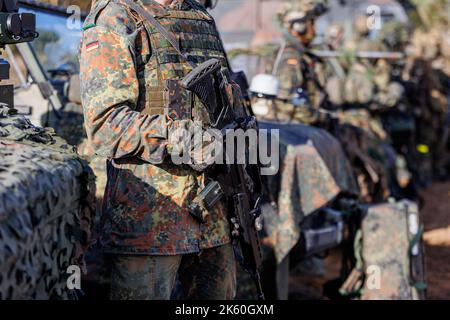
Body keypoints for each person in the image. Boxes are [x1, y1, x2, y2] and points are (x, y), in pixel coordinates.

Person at [79, 0, 241, 300]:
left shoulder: (200, 16)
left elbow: (227, 105)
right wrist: (182, 138)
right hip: (151, 221)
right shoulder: (116, 17)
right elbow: (105, 126)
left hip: (214, 217)